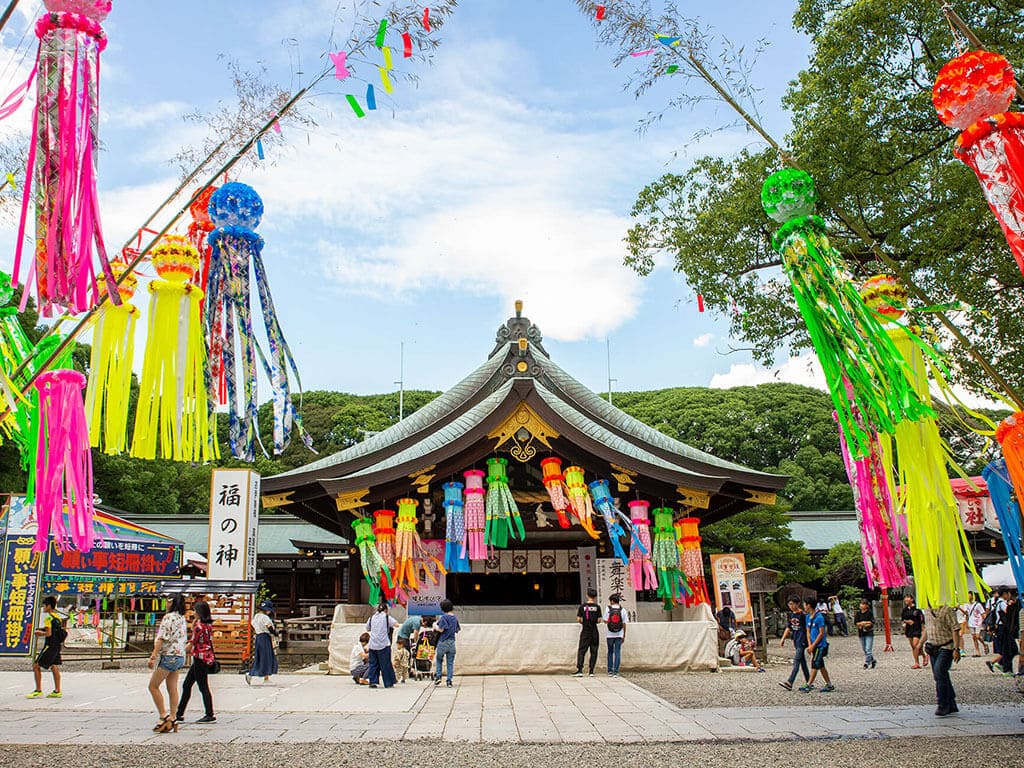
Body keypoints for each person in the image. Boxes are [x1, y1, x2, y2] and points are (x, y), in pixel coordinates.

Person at [147, 594, 187, 734]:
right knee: (173, 687)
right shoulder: (181, 618)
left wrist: (153, 656)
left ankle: (163, 715)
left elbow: (161, 638)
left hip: (168, 655)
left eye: (167, 600)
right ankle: (173, 717)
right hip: (179, 655)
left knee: (153, 686)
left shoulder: (168, 617)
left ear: (171, 602)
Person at [176, 599, 216, 723]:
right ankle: (179, 713)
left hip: (199, 657)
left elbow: (193, 642)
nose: (193, 612)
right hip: (206, 656)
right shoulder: (208, 625)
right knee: (187, 684)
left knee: (202, 686)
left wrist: (181, 652)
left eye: (195, 610)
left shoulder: (199, 627)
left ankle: (209, 713)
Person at [924, 604, 961, 716]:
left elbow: (955, 629)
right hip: (933, 645)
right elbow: (928, 627)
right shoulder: (926, 609)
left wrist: (956, 648)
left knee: (940, 672)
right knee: (940, 675)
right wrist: (921, 643)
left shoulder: (947, 609)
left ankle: (943, 703)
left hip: (946, 646)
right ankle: (951, 702)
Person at [27, 596, 64, 699]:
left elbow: (48, 633)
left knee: (36, 665)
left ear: (48, 606)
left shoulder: (49, 618)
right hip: (57, 645)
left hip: (50, 645)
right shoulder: (57, 617)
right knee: (54, 666)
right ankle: (57, 690)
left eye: (44, 605)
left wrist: (39, 633)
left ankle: (38, 690)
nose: (43, 607)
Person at [802, 597, 834, 692]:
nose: (804, 606)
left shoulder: (819, 617)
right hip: (812, 644)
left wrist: (813, 645)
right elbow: (808, 631)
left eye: (805, 604)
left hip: (820, 645)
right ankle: (829, 684)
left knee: (815, 663)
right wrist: (809, 644)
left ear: (809, 605)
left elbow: (821, 633)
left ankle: (809, 684)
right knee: (820, 665)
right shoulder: (807, 617)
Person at [778, 595, 809, 690]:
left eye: (792, 604)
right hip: (796, 640)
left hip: (802, 640)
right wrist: (783, 638)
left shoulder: (803, 615)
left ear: (797, 604)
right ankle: (809, 681)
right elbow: (789, 627)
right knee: (802, 662)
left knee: (796, 661)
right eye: (789, 604)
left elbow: (808, 629)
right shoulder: (792, 615)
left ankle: (790, 682)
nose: (791, 606)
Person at [365, 603, 399, 688]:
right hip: (383, 644)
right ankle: (388, 682)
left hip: (372, 644)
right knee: (385, 664)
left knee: (373, 664)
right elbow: (396, 624)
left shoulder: (371, 617)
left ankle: (373, 681)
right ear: (386, 610)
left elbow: (367, 628)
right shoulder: (387, 617)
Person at [247, 600, 279, 685]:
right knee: (266, 657)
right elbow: (270, 628)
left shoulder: (256, 616)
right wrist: (276, 633)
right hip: (265, 637)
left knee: (260, 656)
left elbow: (253, 625)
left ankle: (264, 677)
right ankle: (255, 675)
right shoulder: (265, 617)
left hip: (258, 636)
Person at [575, 588, 602, 677]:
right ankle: (591, 671)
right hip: (594, 631)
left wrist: (584, 622)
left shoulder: (582, 606)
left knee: (582, 650)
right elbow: (599, 620)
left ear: (587, 595)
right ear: (595, 597)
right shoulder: (597, 607)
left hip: (585, 631)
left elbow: (578, 619)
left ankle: (580, 670)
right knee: (594, 650)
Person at [433, 599, 460, 687]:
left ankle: (438, 677)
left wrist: (435, 626)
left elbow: (441, 629)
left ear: (443, 608)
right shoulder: (455, 618)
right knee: (450, 662)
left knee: (439, 659)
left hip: (443, 642)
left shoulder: (444, 617)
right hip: (452, 643)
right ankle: (449, 681)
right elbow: (457, 630)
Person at [603, 593, 628, 677]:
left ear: (612, 601)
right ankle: (616, 671)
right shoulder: (622, 610)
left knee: (610, 652)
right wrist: (624, 635)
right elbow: (624, 623)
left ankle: (610, 670)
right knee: (617, 652)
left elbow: (605, 621)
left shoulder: (608, 609)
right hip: (619, 634)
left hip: (609, 634)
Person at [902, 595, 926, 668]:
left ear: (912, 599)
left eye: (908, 598)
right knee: (913, 646)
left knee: (915, 645)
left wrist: (923, 630)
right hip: (909, 629)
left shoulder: (917, 610)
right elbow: (903, 619)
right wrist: (907, 621)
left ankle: (919, 661)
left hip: (917, 628)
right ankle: (921, 658)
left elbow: (921, 620)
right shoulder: (904, 610)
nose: (906, 599)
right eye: (905, 598)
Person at [854, 599, 876, 669]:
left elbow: (872, 622)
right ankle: (872, 660)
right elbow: (856, 623)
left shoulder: (869, 613)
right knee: (865, 649)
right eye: (861, 604)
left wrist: (865, 623)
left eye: (863, 604)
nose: (861, 605)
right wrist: (861, 623)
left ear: (866, 605)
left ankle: (866, 663)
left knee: (868, 649)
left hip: (869, 632)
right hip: (861, 632)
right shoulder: (858, 613)